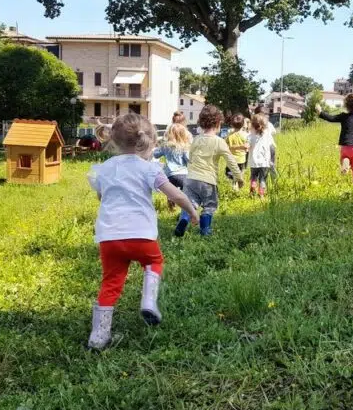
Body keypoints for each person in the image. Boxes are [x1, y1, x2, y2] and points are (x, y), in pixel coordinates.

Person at [86, 113, 200, 350]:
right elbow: (175, 194)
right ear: (147, 141)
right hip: (141, 235)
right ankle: (148, 301)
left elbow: (100, 195)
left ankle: (98, 337)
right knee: (154, 262)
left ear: (114, 141)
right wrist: (191, 210)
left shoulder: (104, 169)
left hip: (109, 237)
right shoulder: (149, 169)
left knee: (111, 282)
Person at [174, 105, 243, 237]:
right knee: (209, 205)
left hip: (191, 179)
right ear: (218, 123)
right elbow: (231, 161)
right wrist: (239, 178)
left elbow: (190, 157)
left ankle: (183, 220)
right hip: (208, 181)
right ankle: (205, 230)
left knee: (191, 204)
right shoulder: (219, 142)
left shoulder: (196, 139)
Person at [315, 93, 353, 183]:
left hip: (346, 147)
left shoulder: (343, 116)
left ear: (346, 105)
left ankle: (345, 162)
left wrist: (320, 113)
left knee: (345, 157)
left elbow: (331, 118)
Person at [153, 123, 191, 210]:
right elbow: (188, 160)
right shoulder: (184, 147)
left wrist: (161, 144)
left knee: (170, 193)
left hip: (170, 175)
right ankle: (185, 209)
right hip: (183, 174)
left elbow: (155, 154)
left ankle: (171, 209)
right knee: (185, 193)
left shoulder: (166, 146)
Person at [247, 113, 274, 197]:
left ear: (252, 125)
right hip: (265, 162)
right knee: (263, 179)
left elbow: (247, 146)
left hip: (253, 161)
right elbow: (271, 146)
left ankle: (252, 188)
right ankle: (261, 194)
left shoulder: (250, 136)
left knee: (253, 176)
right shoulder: (267, 136)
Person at [225, 114, 249, 190]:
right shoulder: (245, 135)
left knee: (229, 173)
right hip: (241, 159)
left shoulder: (229, 135)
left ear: (232, 124)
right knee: (240, 172)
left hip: (231, 159)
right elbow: (247, 147)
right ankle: (238, 184)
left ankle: (235, 183)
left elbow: (225, 145)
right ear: (243, 125)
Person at [253, 104, 277, 179]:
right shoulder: (269, 124)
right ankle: (272, 169)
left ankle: (263, 179)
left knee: (262, 165)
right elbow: (274, 132)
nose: (268, 116)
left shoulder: (254, 125)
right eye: (267, 114)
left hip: (260, 148)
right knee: (271, 162)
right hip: (271, 146)